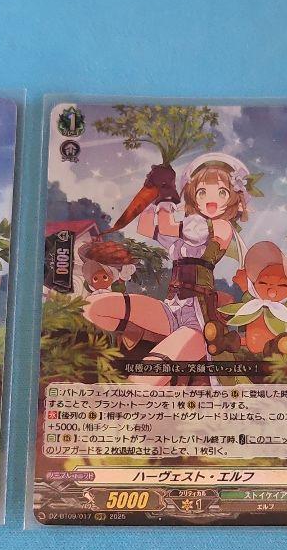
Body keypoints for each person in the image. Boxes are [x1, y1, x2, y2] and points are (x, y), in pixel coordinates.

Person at [82, 152, 249, 385]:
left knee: (141, 382)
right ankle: (143, 333)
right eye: (202, 192)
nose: (211, 200)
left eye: (222, 192)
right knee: (92, 306)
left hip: (198, 321)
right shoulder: (186, 233)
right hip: (171, 310)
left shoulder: (219, 226)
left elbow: (169, 227)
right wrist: (152, 190)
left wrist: (167, 196)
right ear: (193, 195)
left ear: (234, 199)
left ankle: (163, 348)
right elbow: (145, 227)